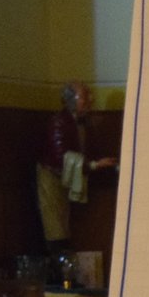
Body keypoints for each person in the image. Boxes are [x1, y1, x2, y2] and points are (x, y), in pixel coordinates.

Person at [36, 80, 116, 252]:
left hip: (67, 180)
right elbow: (62, 158)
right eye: (85, 96)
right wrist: (93, 165)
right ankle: (60, 260)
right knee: (55, 225)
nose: (90, 99)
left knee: (65, 224)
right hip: (53, 179)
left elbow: (86, 150)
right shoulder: (59, 122)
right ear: (71, 100)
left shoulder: (83, 123)